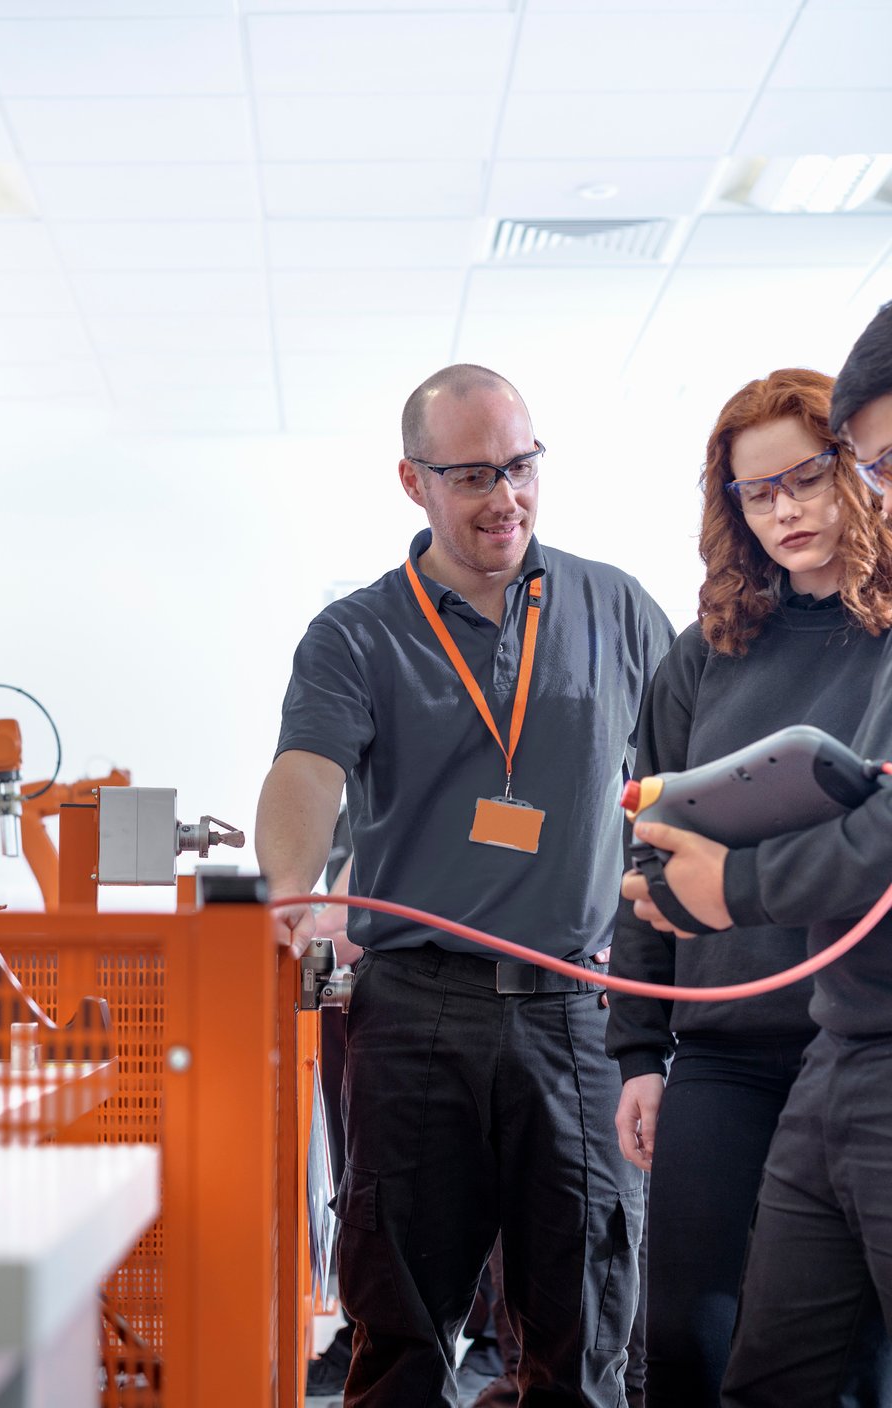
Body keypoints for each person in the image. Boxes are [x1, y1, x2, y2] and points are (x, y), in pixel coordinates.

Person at [257, 363, 674, 1406]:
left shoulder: (616, 607)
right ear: (414, 482)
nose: (507, 497)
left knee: (584, 1335)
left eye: (522, 466)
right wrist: (288, 886)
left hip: (576, 1014)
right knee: (399, 1335)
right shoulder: (357, 632)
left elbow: (683, 782)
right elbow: (307, 769)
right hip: (415, 1016)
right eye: (475, 474)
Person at [621, 302, 892, 1406]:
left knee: (852, 1360)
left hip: (859, 1034)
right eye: (757, 491)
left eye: (808, 478)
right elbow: (643, 861)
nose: (785, 509)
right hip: (727, 1048)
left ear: (852, 471)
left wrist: (738, 885)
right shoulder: (701, 658)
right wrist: (637, 1051)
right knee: (687, 1332)